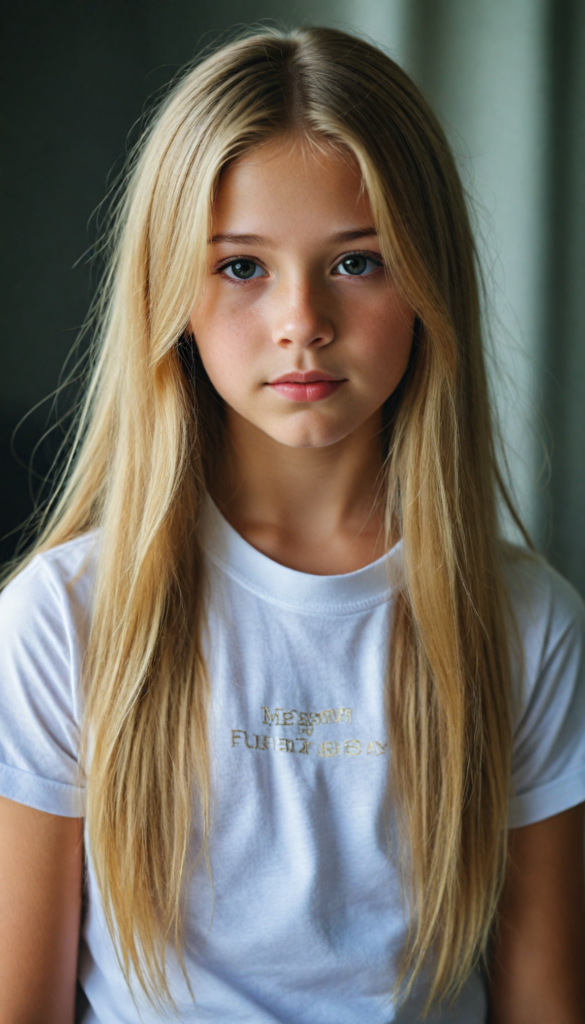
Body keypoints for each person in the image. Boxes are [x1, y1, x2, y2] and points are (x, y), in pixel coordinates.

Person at [0, 25, 584, 1024]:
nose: (301, 319)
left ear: (430, 282)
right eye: (241, 268)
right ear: (168, 292)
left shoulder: (527, 622)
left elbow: (542, 998)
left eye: (358, 262)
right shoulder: (62, 618)